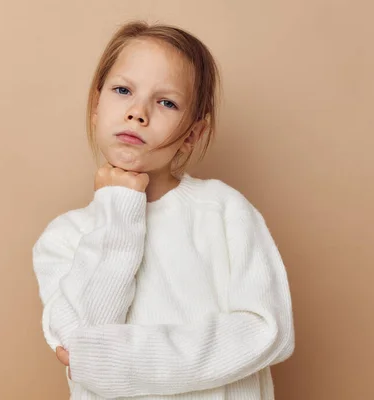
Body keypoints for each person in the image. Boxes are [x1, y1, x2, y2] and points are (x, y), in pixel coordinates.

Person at [32, 20, 295, 400]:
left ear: (192, 134)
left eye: (166, 102)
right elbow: (81, 341)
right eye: (123, 90)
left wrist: (117, 360)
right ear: (96, 105)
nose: (138, 112)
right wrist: (118, 209)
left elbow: (265, 332)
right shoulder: (62, 238)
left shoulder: (222, 211)